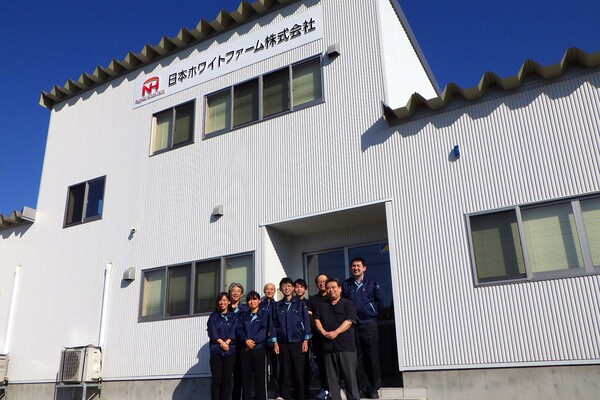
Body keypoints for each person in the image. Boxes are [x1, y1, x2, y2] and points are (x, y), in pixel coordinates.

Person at [341, 258, 382, 399]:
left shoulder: (371, 282)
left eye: (358, 266)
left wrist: (373, 314)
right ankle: (361, 388)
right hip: (353, 325)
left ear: (364, 268)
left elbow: (380, 301)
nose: (356, 268)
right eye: (353, 266)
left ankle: (374, 388)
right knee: (357, 358)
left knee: (372, 357)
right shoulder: (346, 284)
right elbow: (344, 303)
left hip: (369, 324)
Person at [313, 278, 360, 400]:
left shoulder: (348, 303)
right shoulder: (322, 305)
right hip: (328, 346)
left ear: (340, 289)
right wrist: (324, 332)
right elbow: (317, 320)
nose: (331, 290)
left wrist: (336, 332)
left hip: (346, 347)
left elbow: (349, 321)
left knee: (350, 378)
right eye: (328, 288)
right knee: (332, 379)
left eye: (333, 287)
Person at [271, 277, 312, 400]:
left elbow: (306, 323)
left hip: (298, 342)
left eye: (289, 286)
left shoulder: (300, 304)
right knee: (285, 371)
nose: (287, 288)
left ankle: (302, 396)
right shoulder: (277, 306)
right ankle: (286, 396)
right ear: (280, 289)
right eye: (284, 286)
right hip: (283, 343)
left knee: (299, 371)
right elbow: (273, 325)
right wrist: (275, 342)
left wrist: (306, 340)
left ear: (293, 288)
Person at [236, 291, 269, 400]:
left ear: (259, 301)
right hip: (245, 349)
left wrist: (253, 341)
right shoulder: (243, 315)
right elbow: (239, 330)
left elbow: (264, 330)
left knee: (260, 378)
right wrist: (246, 341)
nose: (252, 302)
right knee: (246, 378)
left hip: (259, 349)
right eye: (249, 300)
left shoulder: (264, 314)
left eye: (254, 299)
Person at [207, 293, 237, 400]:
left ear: (229, 302)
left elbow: (235, 331)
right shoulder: (213, 317)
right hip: (216, 351)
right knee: (216, 380)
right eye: (220, 300)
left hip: (230, 352)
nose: (222, 303)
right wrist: (222, 343)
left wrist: (227, 342)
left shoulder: (234, 317)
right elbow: (212, 332)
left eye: (224, 300)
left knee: (227, 381)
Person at [308, 274, 330, 400]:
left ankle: (334, 388)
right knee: (321, 363)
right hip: (318, 336)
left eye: (324, 281)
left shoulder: (332, 297)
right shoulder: (313, 299)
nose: (322, 283)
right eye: (319, 282)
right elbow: (310, 316)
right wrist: (320, 330)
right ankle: (324, 388)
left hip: (333, 335)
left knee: (333, 363)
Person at [261, 283, 281, 400]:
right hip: (261, 341)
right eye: (267, 289)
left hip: (274, 341)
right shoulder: (259, 304)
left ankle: (278, 393)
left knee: (276, 367)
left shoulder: (277, 305)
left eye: (272, 289)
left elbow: (278, 323)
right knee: (261, 368)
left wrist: (273, 333)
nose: (269, 291)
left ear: (274, 291)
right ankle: (262, 393)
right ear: (264, 291)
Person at [229, 282, 248, 400]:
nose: (235, 293)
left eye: (238, 291)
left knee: (242, 374)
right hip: (228, 346)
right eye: (233, 291)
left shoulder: (246, 309)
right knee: (228, 376)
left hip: (241, 345)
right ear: (230, 293)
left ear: (241, 295)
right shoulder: (225, 308)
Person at [294, 278, 311, 398]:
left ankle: (306, 390)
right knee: (295, 366)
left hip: (308, 337)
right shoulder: (291, 302)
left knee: (306, 364)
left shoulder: (308, 303)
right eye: (297, 286)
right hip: (296, 339)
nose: (299, 289)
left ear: (305, 289)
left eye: (301, 286)